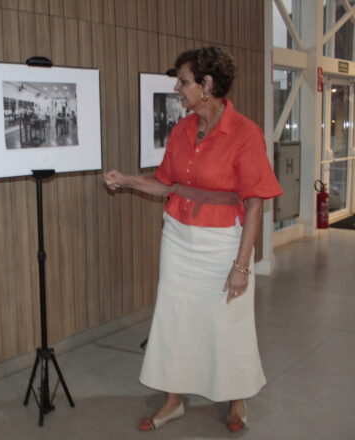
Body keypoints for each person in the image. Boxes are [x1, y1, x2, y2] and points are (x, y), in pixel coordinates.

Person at [103, 46, 282, 433]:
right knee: (175, 319)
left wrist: (241, 265)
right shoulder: (182, 130)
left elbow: (254, 206)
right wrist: (128, 180)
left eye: (183, 81)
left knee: (228, 320)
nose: (177, 87)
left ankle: (237, 398)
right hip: (179, 238)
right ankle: (174, 400)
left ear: (207, 84)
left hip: (223, 243)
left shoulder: (246, 134)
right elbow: (166, 186)